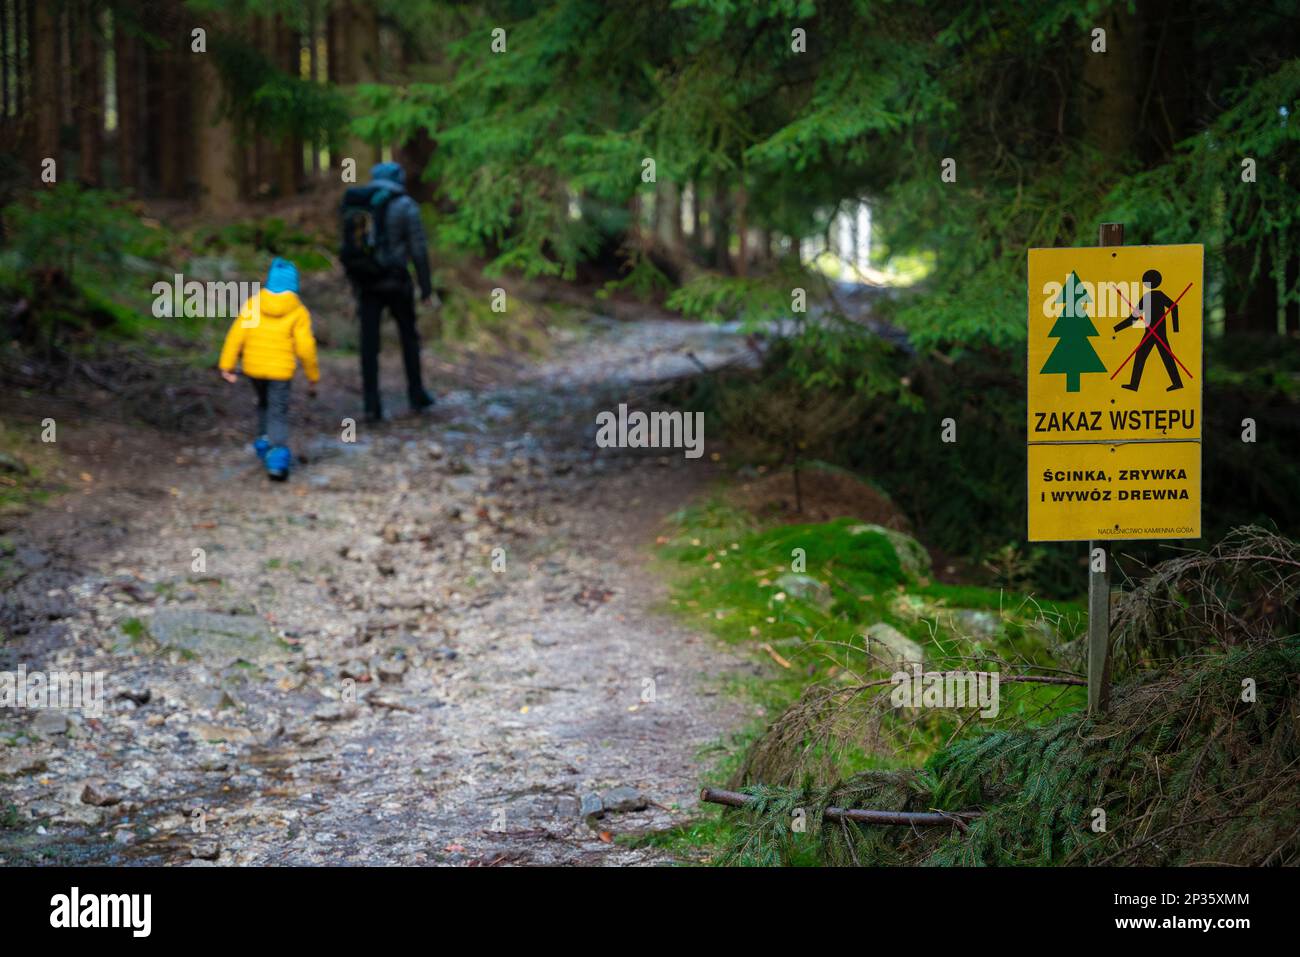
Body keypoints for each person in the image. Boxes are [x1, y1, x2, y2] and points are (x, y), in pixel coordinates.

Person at [340, 161, 435, 423]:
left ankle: (372, 405)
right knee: (409, 339)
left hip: (367, 283)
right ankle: (416, 395)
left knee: (369, 344)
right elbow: (418, 249)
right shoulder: (406, 206)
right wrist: (426, 288)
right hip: (396, 282)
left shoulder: (362, 202)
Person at [218, 258, 320, 481]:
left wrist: (227, 365)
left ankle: (264, 441)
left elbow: (236, 335)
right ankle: (277, 457)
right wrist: (313, 375)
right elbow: (306, 348)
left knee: (264, 404)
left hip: (254, 368)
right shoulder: (299, 311)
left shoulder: (254, 304)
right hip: (280, 372)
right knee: (278, 410)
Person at [1113, 268, 1183, 392]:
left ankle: (1135, 385)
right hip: (1152, 331)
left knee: (1147, 355)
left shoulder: (1151, 296)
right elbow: (1134, 319)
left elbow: (1174, 307)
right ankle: (1176, 383)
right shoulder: (1151, 296)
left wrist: (1176, 329)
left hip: (1156, 332)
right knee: (1160, 356)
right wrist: (1116, 328)